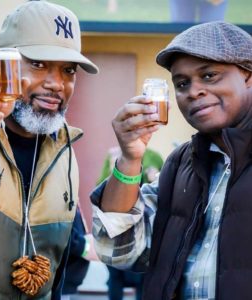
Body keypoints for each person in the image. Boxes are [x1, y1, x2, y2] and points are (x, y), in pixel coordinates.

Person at [91, 21, 252, 300]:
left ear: (248, 76)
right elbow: (118, 250)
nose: (193, 91)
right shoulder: (179, 164)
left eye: (210, 75)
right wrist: (130, 158)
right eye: (182, 83)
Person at [0, 1, 98, 299]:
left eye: (68, 70)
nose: (57, 84)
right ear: (2, 62)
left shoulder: (63, 145)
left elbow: (62, 258)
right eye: (39, 64)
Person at [97, 146, 163, 300]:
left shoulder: (155, 157)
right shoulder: (113, 154)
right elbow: (99, 187)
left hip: (142, 226)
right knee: (115, 275)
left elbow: (162, 191)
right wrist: (112, 170)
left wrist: (153, 179)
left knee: (143, 276)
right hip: (116, 225)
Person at [61, 205, 98, 300]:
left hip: (67, 279)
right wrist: (85, 248)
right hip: (61, 278)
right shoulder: (59, 195)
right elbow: (62, 230)